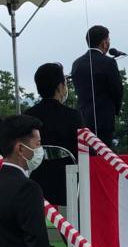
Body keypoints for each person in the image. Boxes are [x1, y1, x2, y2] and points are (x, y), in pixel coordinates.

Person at [0, 115, 60, 247]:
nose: (40, 149)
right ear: (20, 148)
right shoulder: (27, 189)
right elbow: (38, 245)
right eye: (37, 143)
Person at [24, 63, 84, 206]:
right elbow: (84, 153)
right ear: (59, 87)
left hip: (36, 189)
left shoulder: (28, 117)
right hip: (68, 190)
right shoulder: (73, 116)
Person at [71, 25, 124, 146]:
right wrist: (115, 109)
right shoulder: (109, 62)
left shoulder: (77, 63)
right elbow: (117, 90)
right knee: (102, 159)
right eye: (108, 40)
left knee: (86, 158)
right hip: (103, 119)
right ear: (104, 43)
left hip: (82, 118)